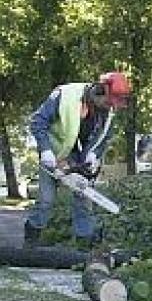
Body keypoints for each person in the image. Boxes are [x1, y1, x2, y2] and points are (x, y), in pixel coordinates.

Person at [24, 72, 131, 246]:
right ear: (99, 91)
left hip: (77, 156)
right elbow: (37, 122)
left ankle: (84, 243)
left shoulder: (107, 112)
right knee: (46, 199)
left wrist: (93, 156)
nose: (109, 107)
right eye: (108, 102)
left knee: (84, 197)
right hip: (53, 152)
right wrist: (45, 150)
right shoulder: (65, 95)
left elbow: (104, 136)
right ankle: (31, 238)